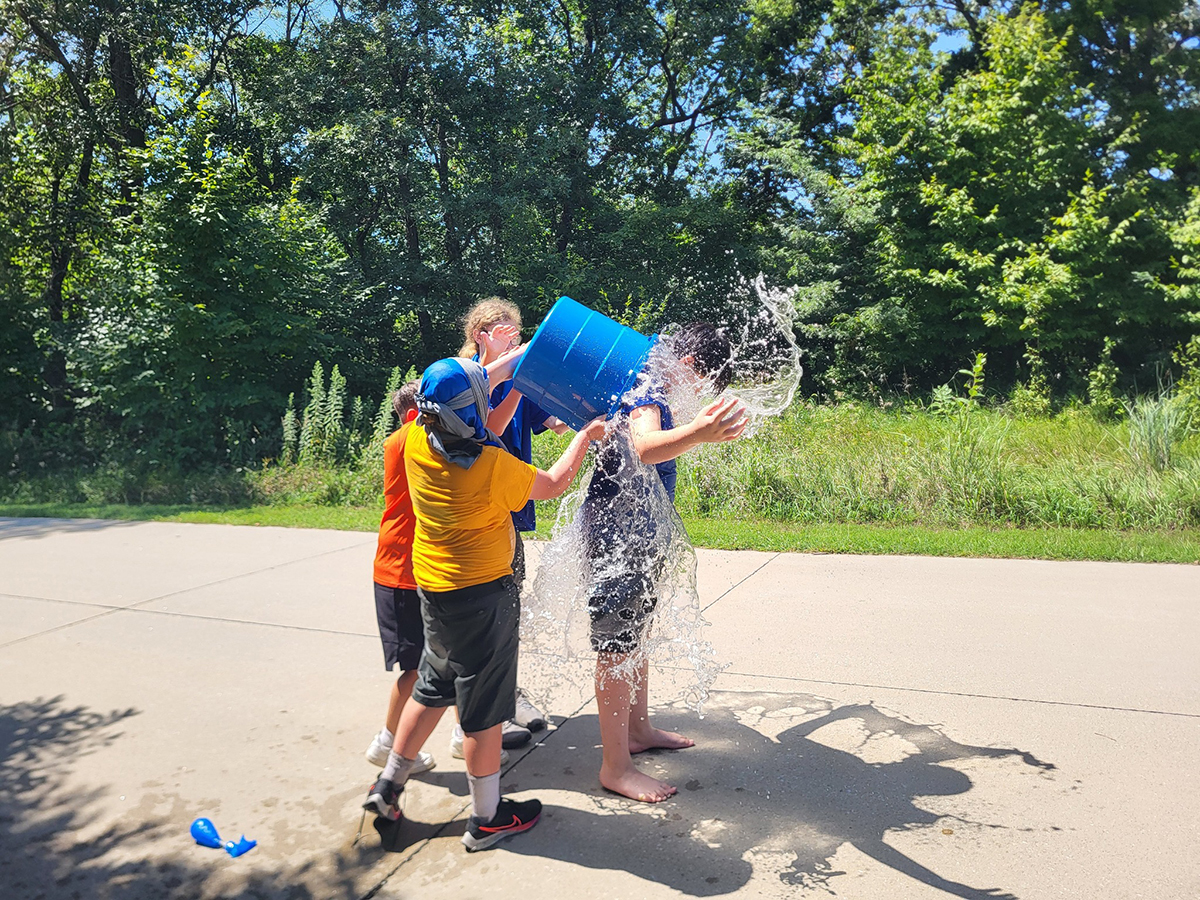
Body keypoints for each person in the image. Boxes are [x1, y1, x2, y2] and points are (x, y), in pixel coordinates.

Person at [363, 352, 607, 852]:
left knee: (433, 685)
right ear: (473, 409)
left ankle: (387, 786)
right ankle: (487, 817)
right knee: (483, 708)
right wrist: (585, 436)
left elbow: (471, 387)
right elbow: (555, 483)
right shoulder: (490, 465)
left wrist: (521, 353)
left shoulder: (415, 437)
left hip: (433, 587)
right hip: (482, 598)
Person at [580, 322, 747, 803]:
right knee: (617, 645)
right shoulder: (648, 383)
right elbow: (644, 446)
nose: (701, 392)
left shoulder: (643, 377)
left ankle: (639, 730)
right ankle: (615, 767)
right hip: (618, 532)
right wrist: (699, 432)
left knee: (635, 636)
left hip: (634, 530)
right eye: (704, 381)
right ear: (690, 363)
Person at [457, 297, 570, 744]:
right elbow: (494, 429)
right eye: (501, 331)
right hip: (480, 508)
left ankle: (506, 694)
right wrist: (518, 379)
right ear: (479, 336)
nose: (512, 338)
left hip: (509, 501)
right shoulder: (466, 380)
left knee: (508, 606)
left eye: (515, 330)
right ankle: (481, 712)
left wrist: (588, 411)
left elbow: (556, 421)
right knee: (487, 611)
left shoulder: (521, 378)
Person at [362, 382, 439, 774]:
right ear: (413, 415)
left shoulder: (416, 438)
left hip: (416, 570)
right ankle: (386, 743)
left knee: (442, 659)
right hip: (401, 574)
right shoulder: (406, 439)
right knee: (416, 669)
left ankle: (462, 734)